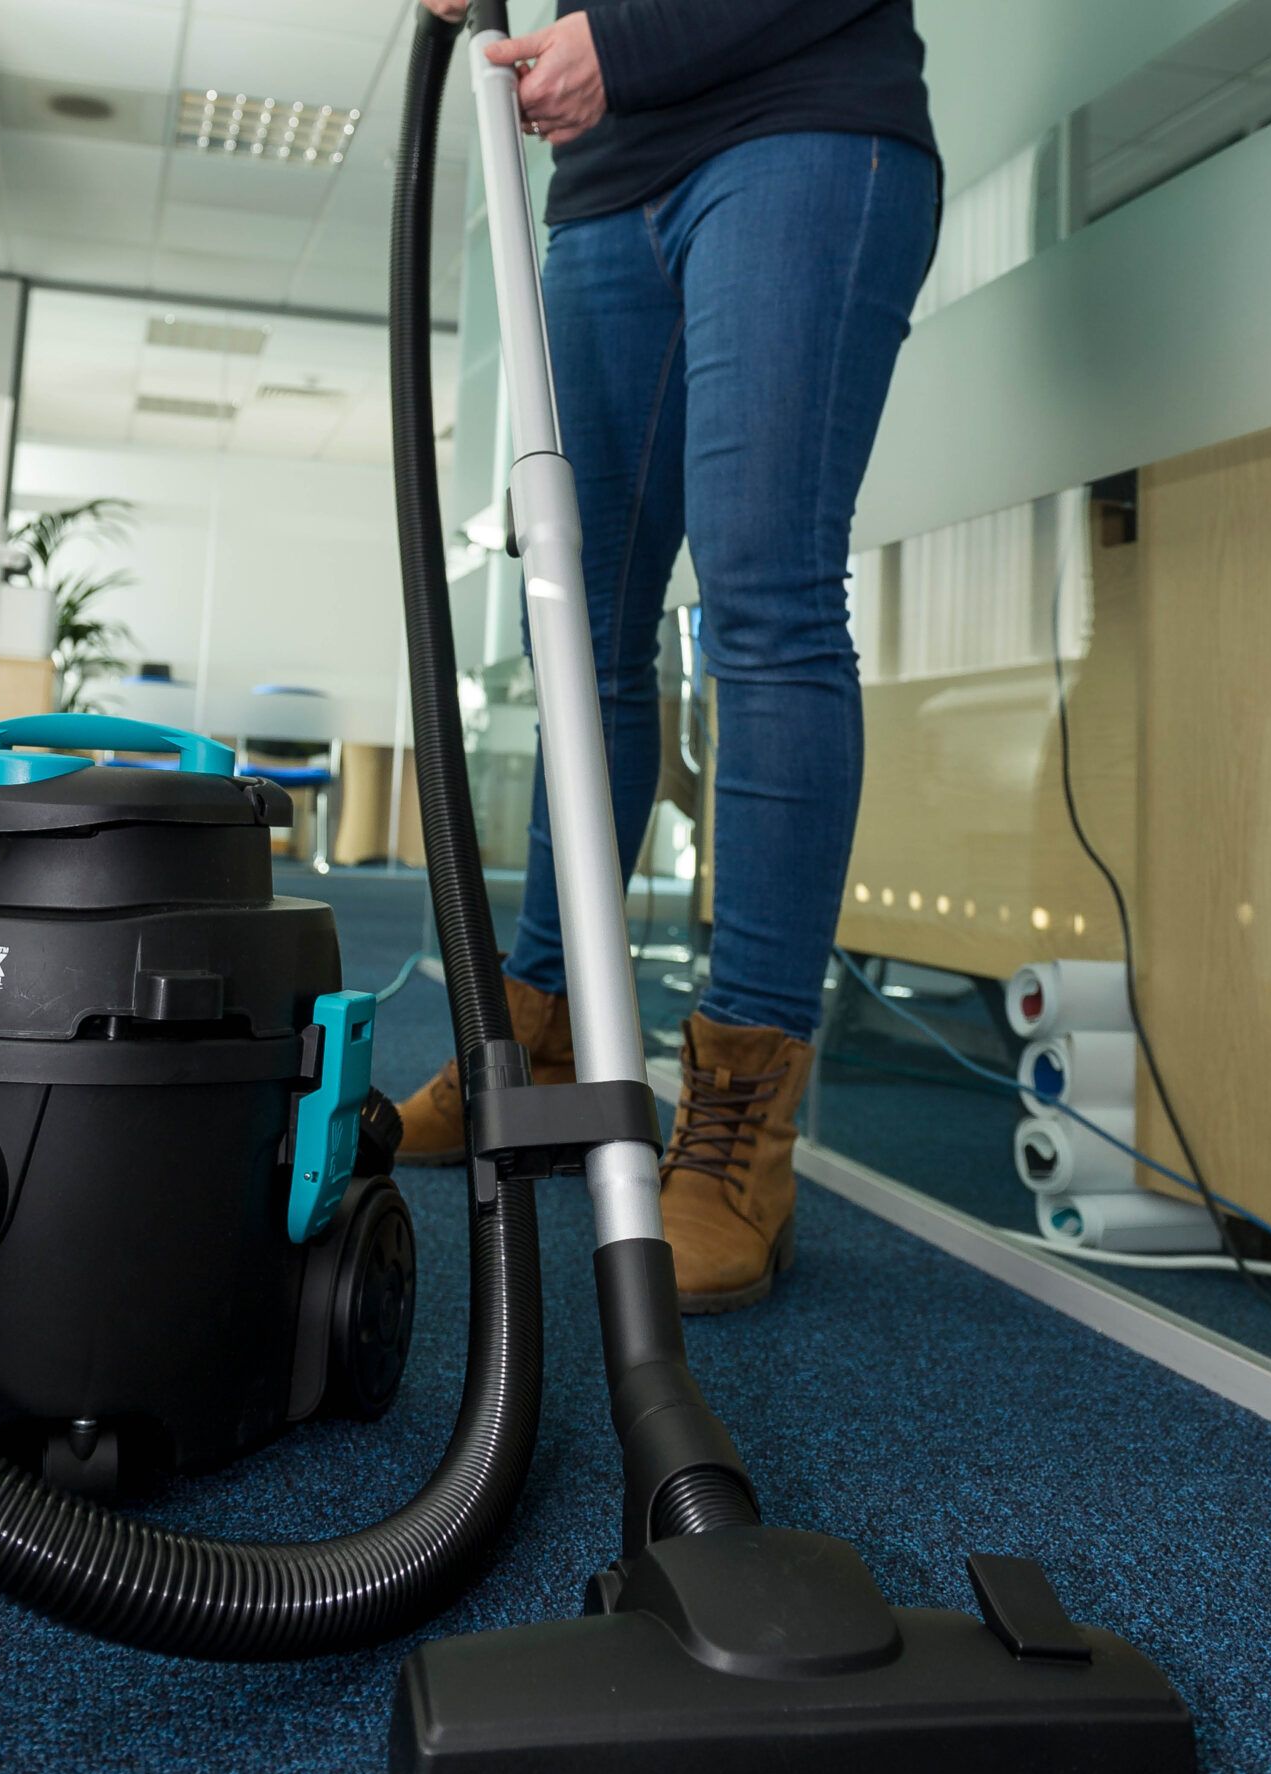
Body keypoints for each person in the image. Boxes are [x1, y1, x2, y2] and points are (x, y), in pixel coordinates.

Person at [398, 0, 938, 1311]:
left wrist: (622, 48)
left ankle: (743, 1124)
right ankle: (534, 1038)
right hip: (609, 182)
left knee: (764, 607)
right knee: (579, 631)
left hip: (797, 128)